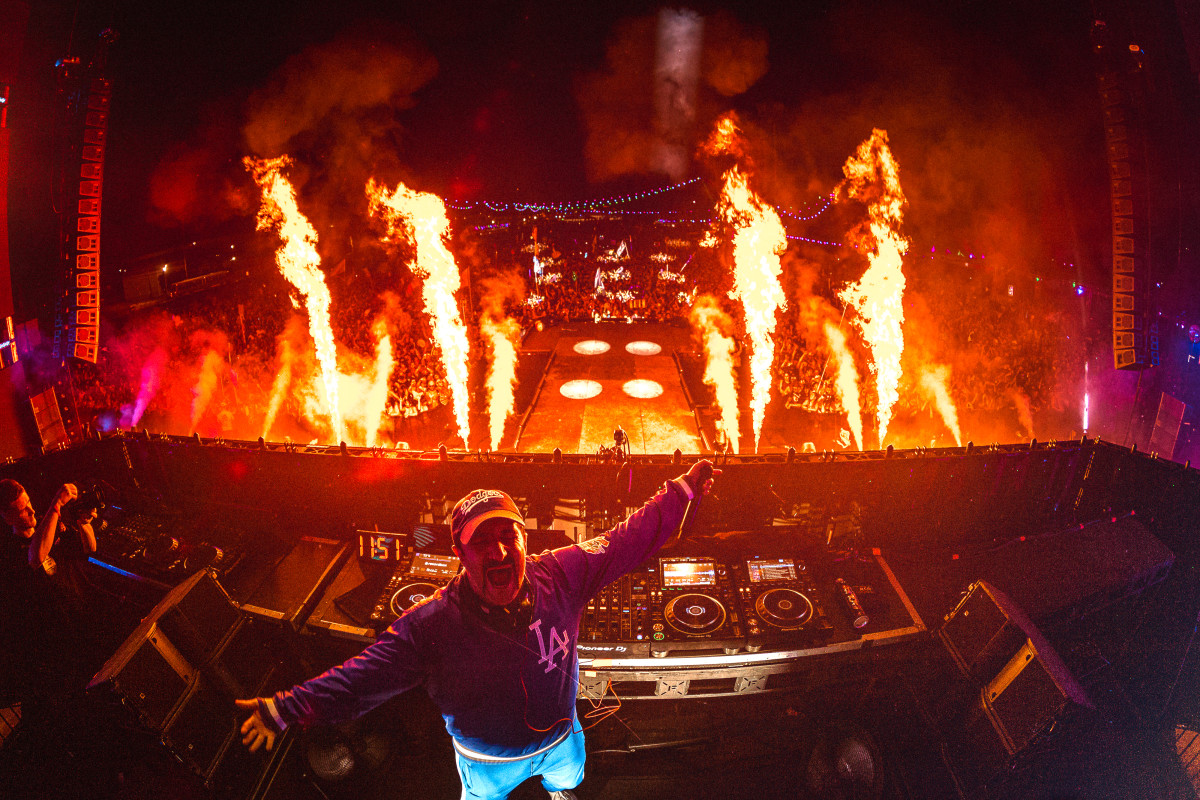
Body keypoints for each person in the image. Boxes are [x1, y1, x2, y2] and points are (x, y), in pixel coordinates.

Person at [238, 460, 719, 800]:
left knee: (568, 781)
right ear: (460, 555)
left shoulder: (562, 573)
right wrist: (282, 709)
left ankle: (559, 792)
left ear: (524, 540)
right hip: (488, 763)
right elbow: (360, 679)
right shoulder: (430, 625)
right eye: (482, 541)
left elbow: (624, 541)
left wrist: (680, 493)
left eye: (508, 536)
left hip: (561, 740)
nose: (499, 551)